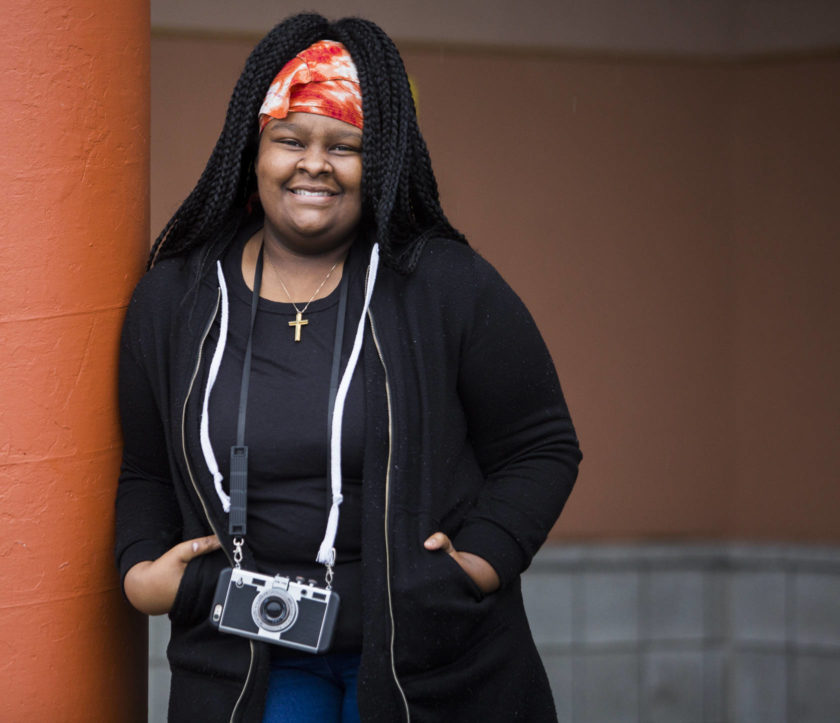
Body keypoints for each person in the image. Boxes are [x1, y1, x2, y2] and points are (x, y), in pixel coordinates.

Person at [115, 13, 581, 723]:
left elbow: (540, 445)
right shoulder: (176, 298)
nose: (314, 164)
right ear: (255, 149)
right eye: (290, 139)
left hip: (425, 659)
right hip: (251, 657)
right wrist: (144, 573)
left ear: (384, 160)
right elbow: (145, 468)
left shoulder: (443, 285)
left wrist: (478, 563)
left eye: (347, 146)